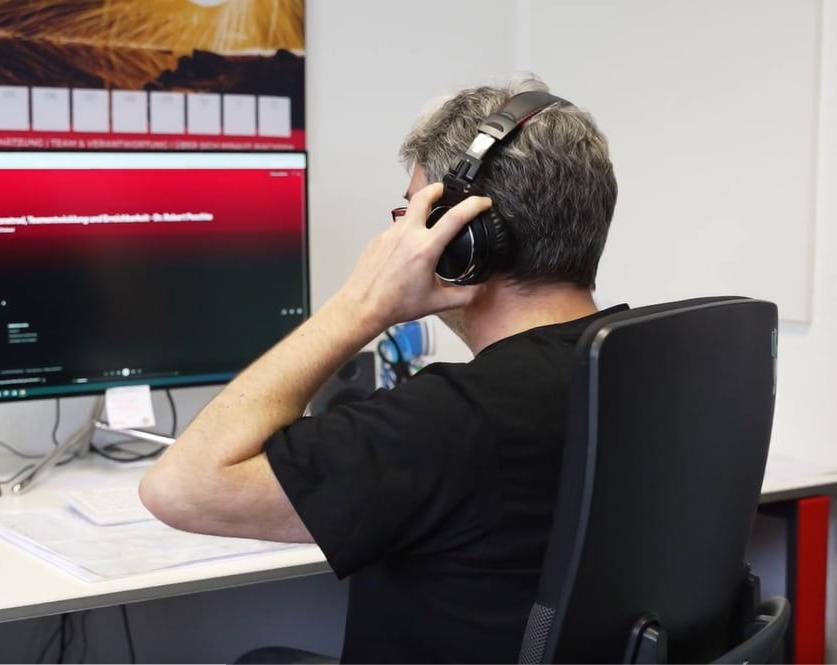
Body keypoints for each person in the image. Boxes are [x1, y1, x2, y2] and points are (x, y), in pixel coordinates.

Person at [139, 75, 619, 664]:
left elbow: (180, 489)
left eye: (412, 218)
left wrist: (359, 306)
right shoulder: (650, 370)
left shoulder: (458, 418)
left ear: (464, 240)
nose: (400, 240)